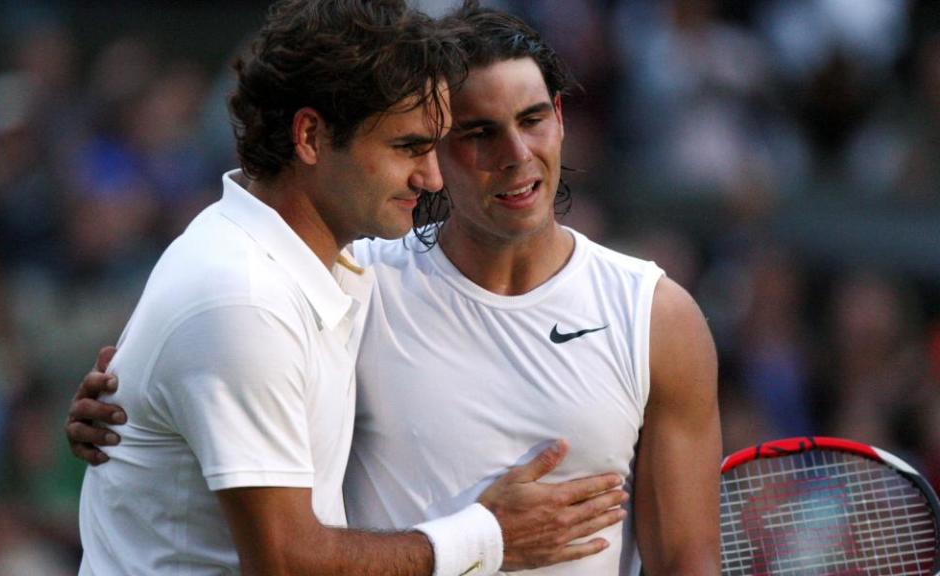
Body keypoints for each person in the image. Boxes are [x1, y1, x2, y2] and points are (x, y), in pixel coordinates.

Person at [68, 1, 721, 574]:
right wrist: (131, 414)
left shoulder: (656, 318)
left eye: (532, 119)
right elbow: (219, 334)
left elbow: (687, 562)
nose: (516, 154)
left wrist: (132, 412)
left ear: (560, 116)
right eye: (472, 134)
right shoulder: (348, 282)